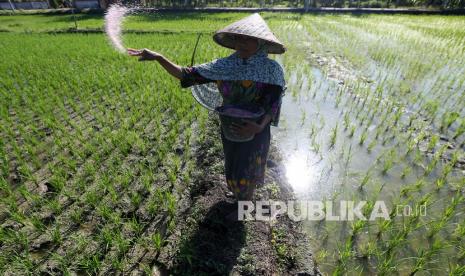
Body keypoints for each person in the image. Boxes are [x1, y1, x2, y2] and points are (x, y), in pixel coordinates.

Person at [128, 13, 286, 206]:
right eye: (238, 38)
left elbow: (273, 103)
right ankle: (237, 196)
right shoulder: (224, 65)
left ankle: (243, 207)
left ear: (260, 43)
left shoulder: (272, 70)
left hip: (256, 130)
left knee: (249, 169)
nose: (242, 43)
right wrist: (159, 58)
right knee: (233, 163)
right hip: (229, 125)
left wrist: (259, 127)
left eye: (249, 39)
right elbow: (187, 75)